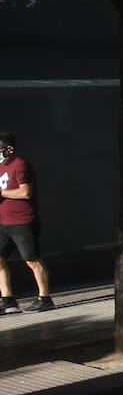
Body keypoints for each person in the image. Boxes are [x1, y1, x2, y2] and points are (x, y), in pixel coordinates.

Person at [0, 132, 54, 313]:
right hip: (3, 222)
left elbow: (25, 193)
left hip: (22, 222)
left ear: (9, 149)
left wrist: (1, 193)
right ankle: (7, 300)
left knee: (32, 260)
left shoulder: (20, 165)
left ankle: (44, 298)